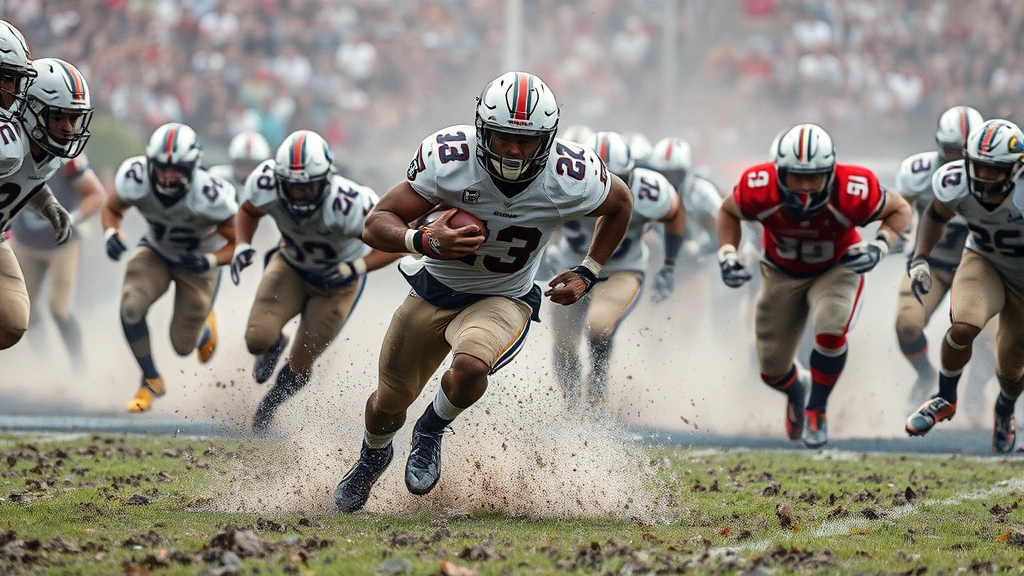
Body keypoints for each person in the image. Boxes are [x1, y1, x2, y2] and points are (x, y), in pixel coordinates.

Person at [332, 71, 633, 513]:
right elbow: (377, 220)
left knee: (471, 365)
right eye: (502, 136)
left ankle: (432, 429)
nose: (513, 149)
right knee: (386, 404)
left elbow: (620, 203)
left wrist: (589, 270)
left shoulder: (570, 175)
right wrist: (425, 241)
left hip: (504, 297)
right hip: (433, 290)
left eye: (526, 140)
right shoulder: (449, 159)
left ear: (547, 139)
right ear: (481, 129)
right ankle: (373, 455)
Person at [717, 123, 911, 448]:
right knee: (771, 370)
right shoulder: (758, 186)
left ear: (831, 173)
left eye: (814, 177)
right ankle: (798, 391)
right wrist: (727, 253)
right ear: (779, 172)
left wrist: (880, 245)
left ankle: (817, 410)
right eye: (796, 177)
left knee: (831, 329)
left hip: (836, 268)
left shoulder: (852, 187)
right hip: (781, 272)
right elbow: (727, 211)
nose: (806, 187)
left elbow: (899, 209)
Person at [231, 130, 401, 432]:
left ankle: (269, 406)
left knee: (300, 362)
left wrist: (357, 266)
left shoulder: (350, 203)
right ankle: (273, 345)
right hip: (292, 267)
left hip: (336, 284)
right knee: (256, 338)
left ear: (326, 179)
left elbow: (396, 241)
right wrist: (243, 244)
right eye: (291, 186)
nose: (298, 194)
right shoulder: (265, 183)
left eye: (306, 186)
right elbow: (248, 210)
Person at [905, 119, 1024, 453]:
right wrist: (920, 258)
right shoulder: (954, 180)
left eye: (993, 170)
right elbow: (935, 215)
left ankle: (1004, 409)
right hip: (984, 260)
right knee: (963, 326)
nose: (983, 177)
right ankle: (945, 396)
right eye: (979, 167)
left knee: (1011, 367)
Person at [101, 122, 238, 412]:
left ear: (192, 169)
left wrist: (210, 260)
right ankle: (151, 379)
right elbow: (113, 208)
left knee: (183, 346)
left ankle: (205, 325)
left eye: (176, 169)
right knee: (130, 307)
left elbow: (239, 241)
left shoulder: (211, 195)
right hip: (157, 251)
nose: (167, 175)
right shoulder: (135, 176)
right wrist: (112, 232)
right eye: (161, 166)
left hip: (198, 263)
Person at [548, 131, 684, 411]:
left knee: (598, 326)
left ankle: (597, 392)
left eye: (619, 178)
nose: (610, 187)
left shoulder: (650, 191)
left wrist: (669, 265)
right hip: (571, 268)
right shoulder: (559, 185)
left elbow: (675, 212)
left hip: (620, 271)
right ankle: (572, 408)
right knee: (563, 342)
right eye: (602, 178)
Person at [892, 105, 987, 406]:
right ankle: (925, 375)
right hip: (930, 264)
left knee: (997, 339)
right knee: (907, 325)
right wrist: (899, 234)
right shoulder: (918, 172)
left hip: (983, 267)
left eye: (967, 150)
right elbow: (898, 212)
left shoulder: (1000, 174)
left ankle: (976, 388)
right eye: (952, 150)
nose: (960, 158)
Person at [0, 56, 91, 351]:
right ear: (32, 110)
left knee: (13, 322)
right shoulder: (8, 144)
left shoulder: (55, 152)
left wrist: (48, 204)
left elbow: (29, 179)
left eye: (73, 118)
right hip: (21, 241)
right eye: (58, 116)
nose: (67, 128)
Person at [9, 153, 105, 363]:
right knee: (23, 312)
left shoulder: (66, 158)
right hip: (25, 242)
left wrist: (73, 218)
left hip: (62, 244)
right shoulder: (11, 150)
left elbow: (96, 194)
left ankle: (79, 366)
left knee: (59, 309)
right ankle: (45, 364)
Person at [646, 136, 725, 300]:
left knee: (688, 320)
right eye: (662, 174)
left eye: (673, 175)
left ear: (686, 173)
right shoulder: (644, 192)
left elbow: (722, 231)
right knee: (643, 315)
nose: (667, 181)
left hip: (692, 268)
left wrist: (699, 247)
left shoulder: (701, 193)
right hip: (653, 264)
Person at [208, 130, 272, 204]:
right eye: (242, 164)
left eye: (252, 165)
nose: (246, 170)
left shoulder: (271, 186)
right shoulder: (218, 178)